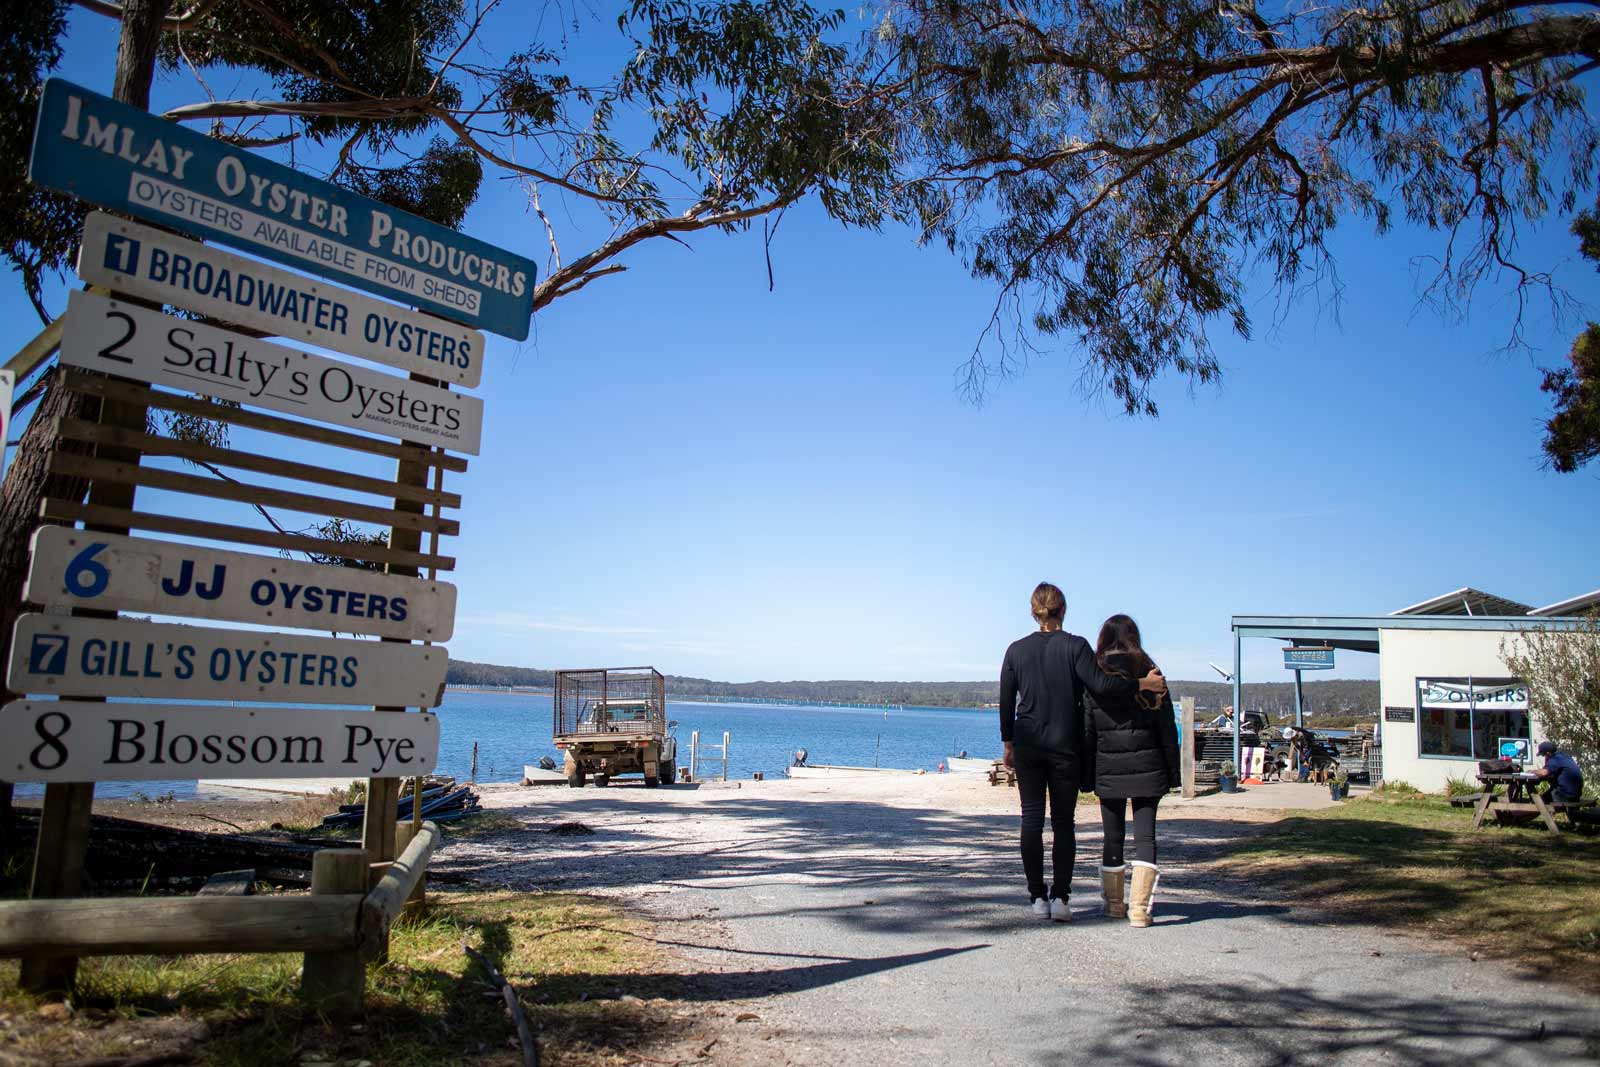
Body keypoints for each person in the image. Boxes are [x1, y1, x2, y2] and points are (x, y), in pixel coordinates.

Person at [1000, 583, 1165, 922]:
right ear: (1063, 610)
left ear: (1033, 612)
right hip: (1065, 745)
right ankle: (1061, 897)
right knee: (1063, 823)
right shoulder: (1076, 647)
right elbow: (1102, 686)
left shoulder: (1015, 650)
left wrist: (1008, 743)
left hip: (1028, 741)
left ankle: (1037, 897)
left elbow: (1006, 701)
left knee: (1031, 820)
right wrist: (1142, 684)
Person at [1083, 615, 1180, 929]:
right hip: (1149, 765)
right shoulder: (1151, 670)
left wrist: (1086, 772)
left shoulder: (1096, 673)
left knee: (1113, 837)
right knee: (1146, 838)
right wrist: (1172, 771)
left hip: (1107, 764)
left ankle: (1113, 904)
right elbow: (1167, 726)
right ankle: (1139, 909)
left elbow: (1087, 727)